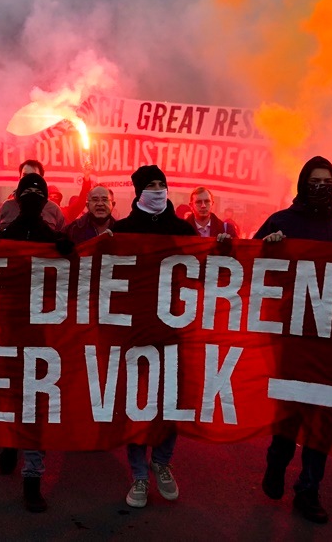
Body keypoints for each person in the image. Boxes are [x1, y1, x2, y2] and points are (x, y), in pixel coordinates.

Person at [255, 156, 332, 524]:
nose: (321, 187)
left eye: (327, 180)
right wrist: (267, 247)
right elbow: (249, 261)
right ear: (303, 184)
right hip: (295, 335)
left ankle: (309, 489)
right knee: (290, 411)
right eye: (314, 181)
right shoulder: (281, 222)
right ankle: (277, 464)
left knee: (324, 418)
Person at [0, 173, 74, 512]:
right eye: (27, 193)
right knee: (7, 395)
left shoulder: (54, 240)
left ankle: (32, 477)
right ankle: (9, 442)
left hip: (41, 337)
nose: (33, 198)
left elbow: (75, 286)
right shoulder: (3, 237)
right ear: (16, 199)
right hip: (7, 332)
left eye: (39, 193)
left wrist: (69, 254)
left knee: (35, 406)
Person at [111, 165, 197, 509]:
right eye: (151, 185)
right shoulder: (122, 230)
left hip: (174, 329)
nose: (158, 189)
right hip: (135, 331)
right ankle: (139, 475)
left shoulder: (183, 229)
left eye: (162, 184)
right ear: (138, 191)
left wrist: (221, 247)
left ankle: (162, 461)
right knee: (138, 402)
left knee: (170, 400)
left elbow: (208, 268)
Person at [0, 160, 67, 232]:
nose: (28, 179)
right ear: (19, 178)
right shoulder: (7, 207)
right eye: (25, 175)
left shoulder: (54, 210)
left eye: (33, 176)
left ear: (41, 179)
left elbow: (62, 238)